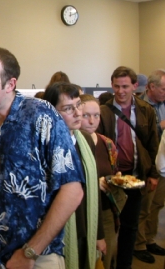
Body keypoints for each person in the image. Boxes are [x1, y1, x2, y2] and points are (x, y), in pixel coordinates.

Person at [0, 47, 85, 269]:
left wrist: (30, 252)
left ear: (10, 84)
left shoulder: (41, 116)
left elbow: (72, 191)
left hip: (35, 257)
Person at [96, 66, 159, 269]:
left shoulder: (145, 110)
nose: (121, 91)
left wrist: (152, 174)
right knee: (109, 226)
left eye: (125, 86)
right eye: (116, 86)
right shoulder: (103, 112)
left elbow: (152, 144)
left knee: (130, 226)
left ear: (134, 86)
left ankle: (125, 264)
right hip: (111, 179)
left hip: (135, 177)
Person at [43, 83, 105, 269]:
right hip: (60, 231)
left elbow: (93, 190)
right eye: (68, 108)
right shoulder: (44, 146)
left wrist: (99, 233)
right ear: (52, 112)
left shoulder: (85, 140)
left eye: (78, 105)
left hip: (87, 223)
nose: (78, 113)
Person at [79, 94, 120, 269]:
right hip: (81, 213)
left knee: (106, 257)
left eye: (96, 115)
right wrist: (94, 185)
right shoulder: (70, 144)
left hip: (105, 211)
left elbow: (115, 172)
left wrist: (113, 181)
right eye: (86, 115)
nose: (91, 121)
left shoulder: (107, 143)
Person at [134, 69, 165, 263]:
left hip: (163, 164)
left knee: (157, 204)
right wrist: (161, 126)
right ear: (151, 87)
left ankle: (150, 238)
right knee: (143, 207)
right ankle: (139, 244)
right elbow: (141, 137)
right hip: (147, 164)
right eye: (163, 88)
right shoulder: (141, 107)